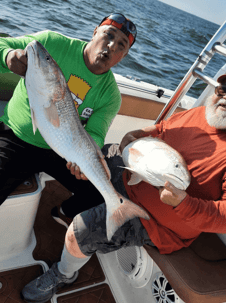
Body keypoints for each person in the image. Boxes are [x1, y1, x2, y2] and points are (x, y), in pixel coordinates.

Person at [21, 65, 226, 303]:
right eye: (222, 89)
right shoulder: (199, 113)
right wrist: (139, 133)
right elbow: (162, 129)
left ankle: (64, 274)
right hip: (135, 175)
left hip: (157, 223)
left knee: (79, 232)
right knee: (100, 155)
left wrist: (184, 203)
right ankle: (82, 203)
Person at [0, 13, 137, 217]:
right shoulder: (51, 44)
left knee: (99, 196)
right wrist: (8, 56)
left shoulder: (111, 95)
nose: (111, 46)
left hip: (63, 151)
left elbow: (96, 134)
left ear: (123, 56)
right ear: (94, 32)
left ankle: (63, 212)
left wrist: (85, 159)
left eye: (121, 45)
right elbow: (3, 43)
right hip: (17, 137)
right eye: (108, 35)